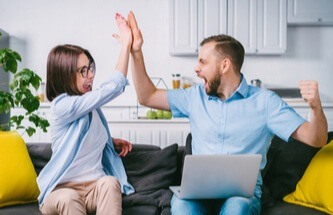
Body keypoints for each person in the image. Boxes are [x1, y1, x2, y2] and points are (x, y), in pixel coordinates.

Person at [126, 12, 328, 215]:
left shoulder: (265, 102)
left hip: (240, 196)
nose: (196, 69)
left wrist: (315, 108)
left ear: (224, 65)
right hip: (197, 194)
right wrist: (136, 52)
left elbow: (316, 139)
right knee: (182, 206)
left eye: (203, 62)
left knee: (237, 208)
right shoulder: (194, 97)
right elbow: (147, 96)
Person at [37, 13, 135, 215]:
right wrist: (126, 45)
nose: (90, 75)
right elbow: (114, 87)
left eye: (90, 68)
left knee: (109, 182)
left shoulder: (92, 109)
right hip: (61, 191)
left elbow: (82, 137)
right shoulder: (61, 106)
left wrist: (107, 140)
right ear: (65, 74)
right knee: (69, 197)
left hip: (93, 189)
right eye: (83, 71)